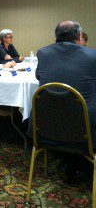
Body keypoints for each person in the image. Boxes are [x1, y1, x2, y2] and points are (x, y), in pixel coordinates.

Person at [35, 20, 96, 183]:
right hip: (84, 129)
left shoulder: (42, 53)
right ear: (78, 36)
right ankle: (78, 165)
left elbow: (38, 76)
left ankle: (68, 163)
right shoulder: (92, 55)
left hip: (46, 126)